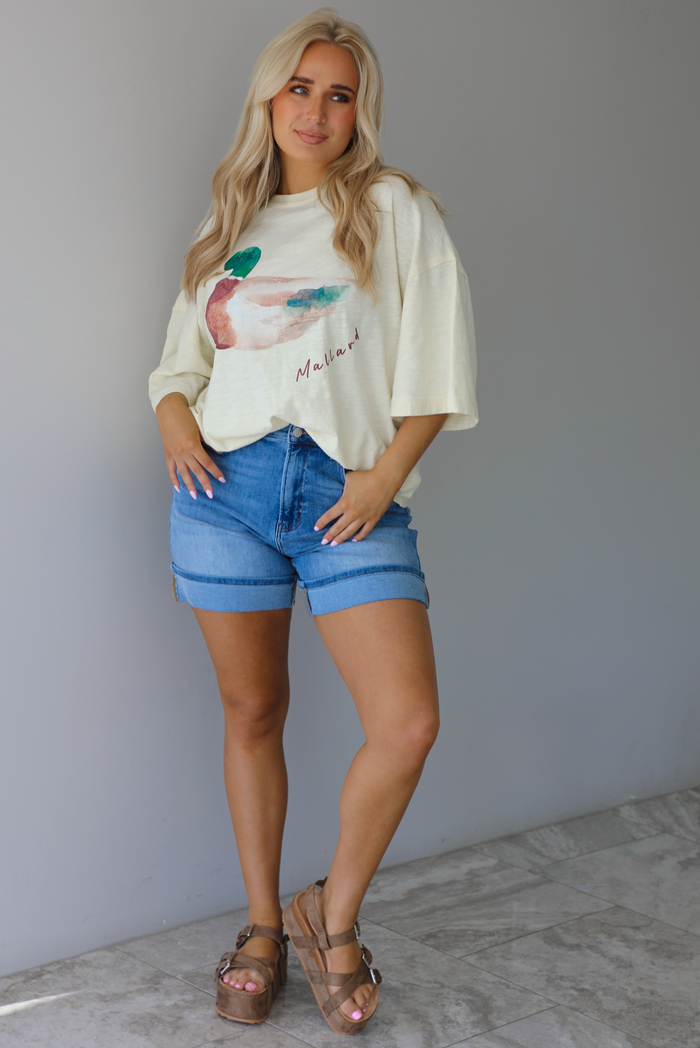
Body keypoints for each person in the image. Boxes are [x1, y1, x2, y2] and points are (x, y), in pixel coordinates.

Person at [149, 6, 477, 1035]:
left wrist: (384, 478)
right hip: (222, 492)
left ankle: (327, 917)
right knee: (252, 714)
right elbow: (176, 370)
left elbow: (438, 369)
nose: (317, 108)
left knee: (406, 722)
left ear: (358, 113)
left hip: (347, 492)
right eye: (300, 87)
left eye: (339, 93)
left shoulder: (390, 208)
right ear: (268, 99)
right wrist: (172, 424)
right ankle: (258, 925)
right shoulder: (229, 228)